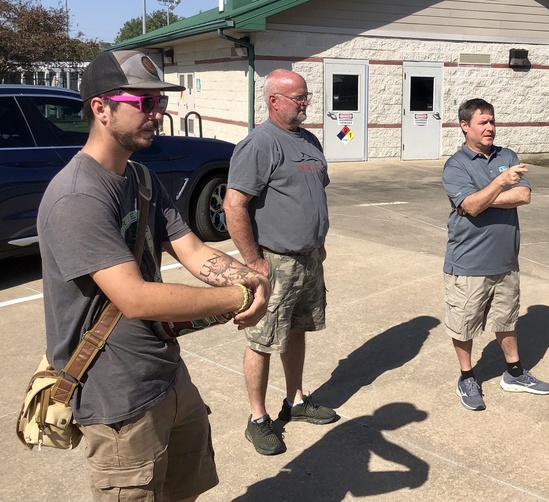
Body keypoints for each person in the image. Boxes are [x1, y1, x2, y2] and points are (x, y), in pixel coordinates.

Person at [37, 50, 270, 501]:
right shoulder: (77, 197)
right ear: (101, 109)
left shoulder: (141, 179)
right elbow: (136, 299)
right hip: (116, 395)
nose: (157, 113)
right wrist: (237, 300)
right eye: (143, 103)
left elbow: (191, 248)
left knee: (185, 490)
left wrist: (249, 278)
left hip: (164, 373)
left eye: (158, 102)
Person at [223, 69, 337, 455]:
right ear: (274, 101)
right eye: (298, 98)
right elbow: (234, 205)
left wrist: (318, 243)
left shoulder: (309, 140)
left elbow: (312, 194)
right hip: (275, 261)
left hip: (309, 259)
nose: (306, 104)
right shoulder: (259, 144)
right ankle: (258, 419)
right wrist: (253, 261)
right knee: (262, 340)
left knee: (298, 329)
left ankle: (296, 401)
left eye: (306, 97)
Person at [442, 98, 549, 411]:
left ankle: (514, 373)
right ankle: (466, 377)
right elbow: (471, 206)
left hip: (506, 260)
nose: (490, 127)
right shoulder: (456, 165)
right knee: (464, 324)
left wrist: (484, 195)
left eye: (492, 121)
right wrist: (501, 183)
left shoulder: (507, 155)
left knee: (506, 319)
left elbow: (524, 195)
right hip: (468, 261)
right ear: (465, 126)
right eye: (482, 122)